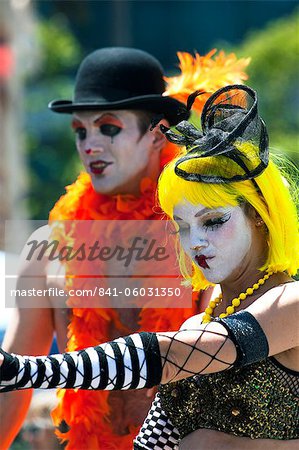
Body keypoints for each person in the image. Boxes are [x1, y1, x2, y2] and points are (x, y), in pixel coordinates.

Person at [0, 84, 298, 448]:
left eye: (215, 221)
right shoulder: (196, 324)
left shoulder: (291, 303)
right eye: (182, 227)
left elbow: (171, 355)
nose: (196, 242)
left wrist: (25, 370)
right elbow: (154, 443)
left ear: (259, 218)